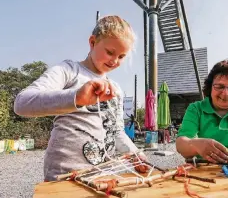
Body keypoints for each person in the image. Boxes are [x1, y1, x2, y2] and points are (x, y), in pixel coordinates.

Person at [14, 15, 147, 181]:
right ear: (92, 42)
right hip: (65, 176)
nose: (114, 61)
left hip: (104, 177)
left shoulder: (116, 90)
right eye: (110, 52)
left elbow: (116, 131)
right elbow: (22, 103)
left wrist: (135, 154)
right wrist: (76, 97)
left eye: (121, 56)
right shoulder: (69, 71)